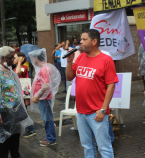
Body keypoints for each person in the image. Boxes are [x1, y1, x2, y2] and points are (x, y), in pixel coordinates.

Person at [66, 29, 118, 157]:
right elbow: (68, 77)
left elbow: (111, 86)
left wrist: (103, 110)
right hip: (81, 111)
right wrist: (69, 61)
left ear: (94, 41)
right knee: (87, 146)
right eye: (81, 39)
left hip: (96, 112)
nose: (80, 42)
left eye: (84, 39)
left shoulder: (106, 60)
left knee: (104, 148)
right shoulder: (81, 57)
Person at [0, 46, 33, 158]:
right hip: (4, 113)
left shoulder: (9, 71)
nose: (13, 60)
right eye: (11, 58)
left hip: (15, 112)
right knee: (3, 143)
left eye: (13, 57)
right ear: (3, 58)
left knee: (15, 140)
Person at [29, 48, 61, 147]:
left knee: (47, 119)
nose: (32, 60)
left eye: (33, 58)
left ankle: (51, 139)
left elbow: (46, 85)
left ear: (36, 58)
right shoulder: (43, 68)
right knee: (46, 118)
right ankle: (49, 136)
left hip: (44, 98)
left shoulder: (44, 69)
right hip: (43, 98)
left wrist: (37, 96)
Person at [13, 52, 36, 138]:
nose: (13, 59)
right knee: (22, 112)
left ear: (20, 59)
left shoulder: (23, 67)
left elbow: (18, 73)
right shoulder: (16, 67)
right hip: (18, 94)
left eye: (15, 58)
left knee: (24, 113)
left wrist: (19, 62)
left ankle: (31, 129)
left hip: (22, 94)